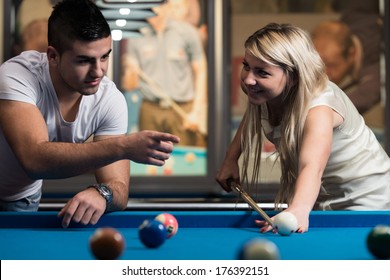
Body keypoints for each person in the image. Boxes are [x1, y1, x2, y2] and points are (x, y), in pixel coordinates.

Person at [0, 0, 180, 228]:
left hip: (22, 199)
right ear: (53, 56)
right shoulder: (17, 76)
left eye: (104, 57)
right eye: (84, 60)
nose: (98, 71)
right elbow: (34, 159)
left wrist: (102, 193)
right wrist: (124, 147)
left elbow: (119, 188)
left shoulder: (109, 99)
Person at [216, 23, 390, 234]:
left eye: (262, 72)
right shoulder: (266, 96)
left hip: (368, 200)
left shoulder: (319, 108)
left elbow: (311, 166)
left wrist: (299, 208)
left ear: (293, 76)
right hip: (318, 196)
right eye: (246, 66)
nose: (248, 79)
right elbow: (253, 116)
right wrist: (231, 159)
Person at [121, 0, 207, 147]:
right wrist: (130, 71)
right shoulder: (136, 36)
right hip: (149, 108)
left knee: (186, 163)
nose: (153, 8)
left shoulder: (187, 32)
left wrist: (197, 111)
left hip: (183, 108)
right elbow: (130, 85)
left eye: (157, 4)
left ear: (167, 6)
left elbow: (201, 72)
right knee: (150, 163)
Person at [311, 20, 381, 117]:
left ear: (351, 54)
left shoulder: (379, 63)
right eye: (320, 64)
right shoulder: (352, 17)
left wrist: (318, 110)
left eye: (331, 65)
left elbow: (364, 97)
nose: (324, 73)